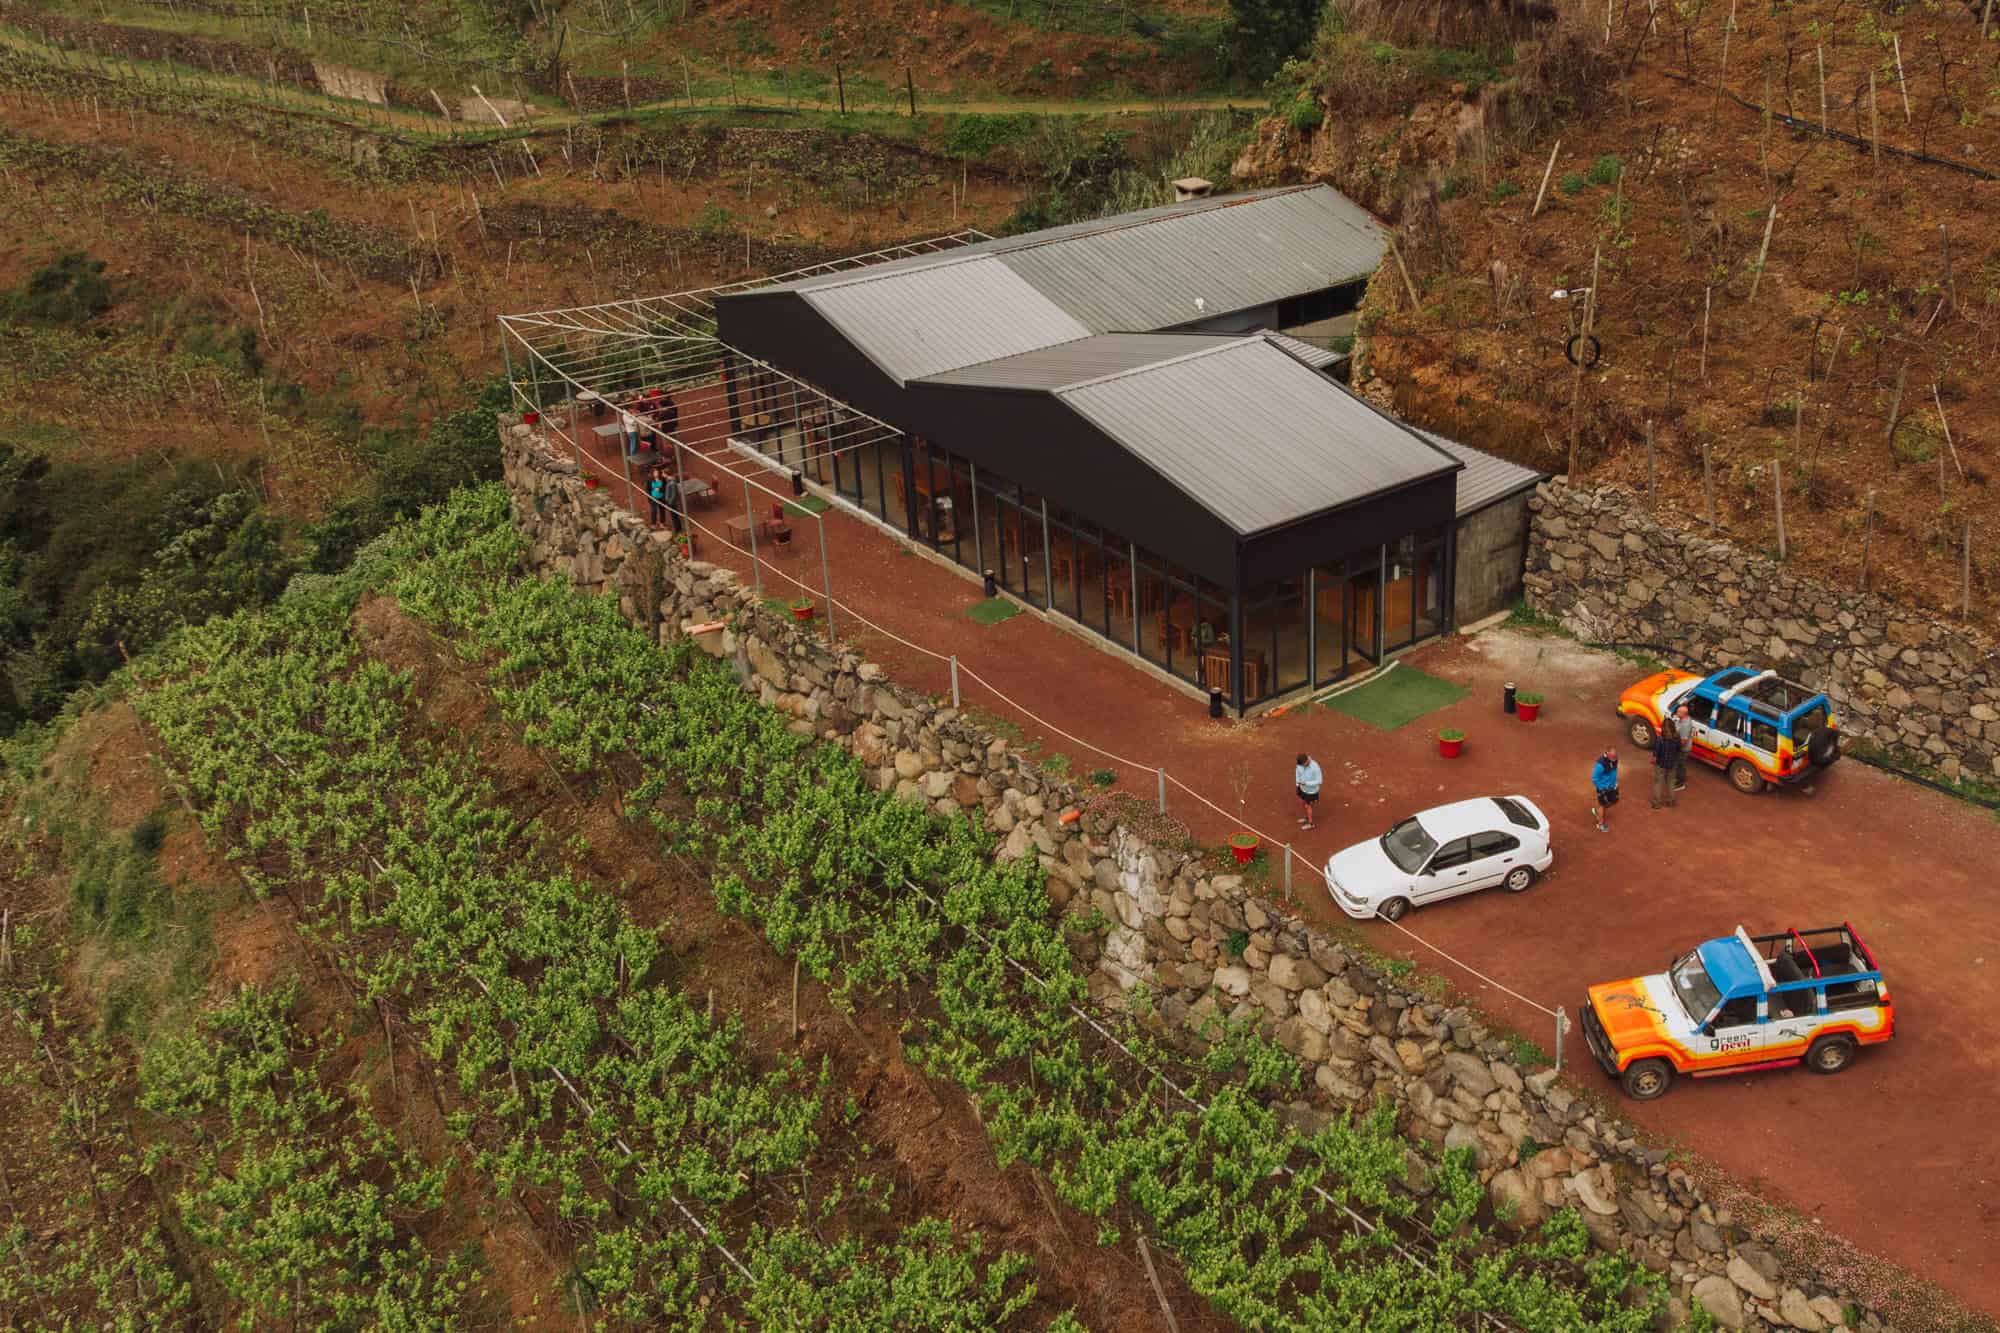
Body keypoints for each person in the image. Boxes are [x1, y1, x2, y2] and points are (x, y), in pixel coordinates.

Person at [1651, 723, 1682, 809]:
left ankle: (1656, 803)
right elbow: (1679, 749)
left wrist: (1654, 758)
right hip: (1672, 763)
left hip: (1661, 764)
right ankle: (1670, 801)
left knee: (1658, 783)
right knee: (1671, 782)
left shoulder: (1660, 739)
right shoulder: (1677, 738)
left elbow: (1656, 751)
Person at [1590, 747, 1619, 832]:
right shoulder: (1600, 764)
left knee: (1612, 801)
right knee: (1602, 805)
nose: (1614, 758)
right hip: (1603, 788)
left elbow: (1614, 771)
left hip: (1612, 786)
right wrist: (1601, 788)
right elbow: (1594, 778)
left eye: (1615, 756)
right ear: (1607, 754)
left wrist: (1615, 783)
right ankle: (1600, 824)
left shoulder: (1615, 760)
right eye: (1612, 756)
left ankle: (1597, 811)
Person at [1294, 752, 1323, 830]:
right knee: (1302, 802)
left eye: (1303, 765)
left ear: (1306, 761)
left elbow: (1319, 781)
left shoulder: (1315, 767)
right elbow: (1297, 772)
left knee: (1307, 806)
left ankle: (1311, 823)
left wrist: (1306, 783)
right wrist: (1297, 784)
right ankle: (1306, 817)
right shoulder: (1300, 764)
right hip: (1302, 788)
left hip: (1311, 791)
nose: (1301, 766)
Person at [1672, 703, 1694, 791]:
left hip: (1683, 750)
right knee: (1679, 765)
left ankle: (1680, 783)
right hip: (1682, 748)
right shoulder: (1682, 719)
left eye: (1678, 712)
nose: (1677, 713)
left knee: (1680, 765)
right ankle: (1679, 779)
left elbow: (1683, 742)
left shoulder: (1685, 725)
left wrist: (1675, 748)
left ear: (1683, 714)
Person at [646, 466, 668, 530]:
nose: (656, 474)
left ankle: (662, 524)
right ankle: (653, 525)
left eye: (657, 472)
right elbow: (647, 490)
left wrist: (660, 489)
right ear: (652, 473)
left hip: (661, 497)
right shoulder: (649, 480)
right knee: (654, 511)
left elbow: (665, 487)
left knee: (662, 510)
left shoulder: (663, 479)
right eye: (655, 472)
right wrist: (649, 499)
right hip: (653, 498)